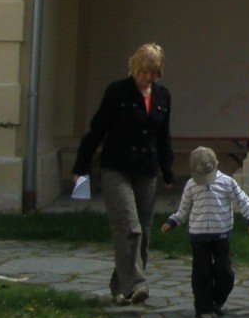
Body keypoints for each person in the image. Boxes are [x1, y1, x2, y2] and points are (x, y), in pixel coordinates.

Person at [72, 42, 175, 304]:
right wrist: (80, 167)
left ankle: (120, 286)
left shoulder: (163, 96)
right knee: (128, 226)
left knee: (144, 229)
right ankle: (137, 284)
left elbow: (163, 137)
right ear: (134, 68)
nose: (147, 78)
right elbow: (97, 131)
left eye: (152, 73)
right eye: (143, 72)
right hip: (116, 167)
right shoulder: (117, 92)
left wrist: (168, 171)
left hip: (146, 170)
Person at [161, 145, 249, 318]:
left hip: (221, 235)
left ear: (216, 165)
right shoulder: (191, 186)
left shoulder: (227, 182)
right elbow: (183, 209)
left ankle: (217, 300)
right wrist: (173, 222)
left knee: (225, 271)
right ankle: (203, 309)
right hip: (198, 237)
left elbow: (242, 200)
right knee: (201, 273)